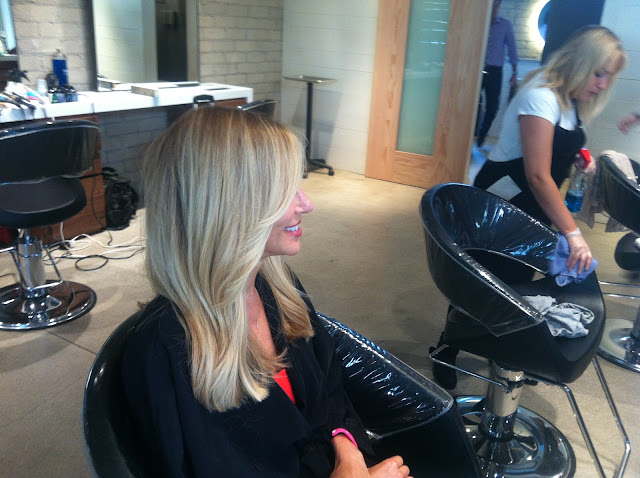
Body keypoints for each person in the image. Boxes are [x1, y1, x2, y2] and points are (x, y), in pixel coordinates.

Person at [120, 106, 412, 478]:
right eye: (284, 191)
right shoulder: (165, 353)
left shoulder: (278, 288)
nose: (308, 204)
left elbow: (329, 390)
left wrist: (349, 452)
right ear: (228, 207)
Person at [432, 25, 627, 390]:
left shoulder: (569, 101)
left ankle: (505, 349)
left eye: (608, 78)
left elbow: (557, 146)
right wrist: (573, 233)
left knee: (517, 283)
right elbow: (537, 176)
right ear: (581, 63)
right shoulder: (541, 96)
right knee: (480, 282)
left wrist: (577, 157)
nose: (603, 85)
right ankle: (447, 347)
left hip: (533, 204)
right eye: (599, 74)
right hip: (500, 204)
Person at [475, 0, 519, 148]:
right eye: (492, 5)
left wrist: (514, 72)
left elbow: (512, 49)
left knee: (493, 107)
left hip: (495, 72)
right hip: (476, 70)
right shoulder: (478, 23)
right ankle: (470, 135)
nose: (494, 9)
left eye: (497, 5)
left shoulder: (505, 25)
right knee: (473, 104)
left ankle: (481, 137)